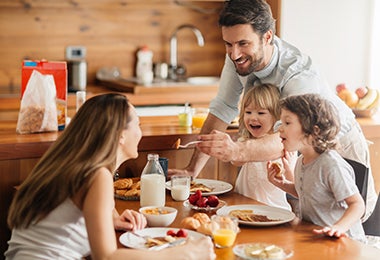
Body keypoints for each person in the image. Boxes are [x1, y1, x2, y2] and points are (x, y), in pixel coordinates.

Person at [168, 0, 376, 221]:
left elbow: (286, 137)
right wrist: (192, 170)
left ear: (267, 37)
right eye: (228, 44)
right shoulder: (238, 58)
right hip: (299, 150)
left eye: (242, 43)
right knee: (309, 220)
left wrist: (236, 150)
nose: (234, 53)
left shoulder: (298, 75)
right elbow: (222, 108)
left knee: (344, 220)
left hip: (339, 145)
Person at [5, 94, 215, 260]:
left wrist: (111, 218)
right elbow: (105, 257)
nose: (141, 133)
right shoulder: (97, 175)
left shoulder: (67, 163)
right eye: (138, 124)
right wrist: (182, 254)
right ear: (120, 135)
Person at [267, 93, 366, 242]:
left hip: (344, 242)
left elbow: (357, 205)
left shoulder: (331, 165)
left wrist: (338, 228)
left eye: (287, 123)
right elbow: (309, 192)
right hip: (318, 237)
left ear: (314, 131)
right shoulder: (301, 161)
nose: (280, 129)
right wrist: (282, 184)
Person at [233, 84, 295, 210]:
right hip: (243, 206)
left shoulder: (283, 145)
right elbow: (235, 161)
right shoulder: (246, 141)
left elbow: (294, 184)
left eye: (261, 113)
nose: (253, 117)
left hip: (274, 209)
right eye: (248, 112)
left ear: (277, 117)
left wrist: (288, 169)